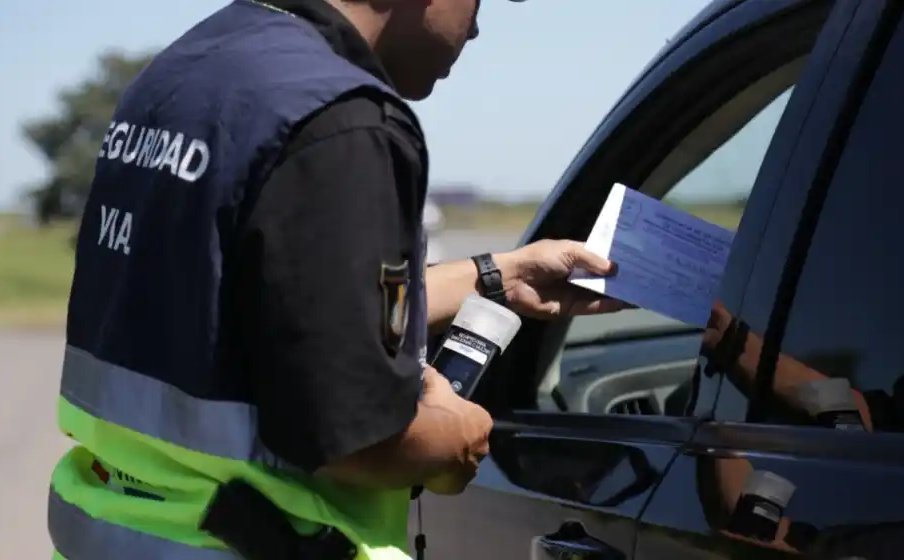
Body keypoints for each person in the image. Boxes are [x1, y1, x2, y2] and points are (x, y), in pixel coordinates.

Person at [46, 1, 629, 559]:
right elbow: (351, 435)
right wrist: (457, 437)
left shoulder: (184, 73)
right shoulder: (342, 120)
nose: (476, 27)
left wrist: (496, 276)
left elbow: (259, 304)